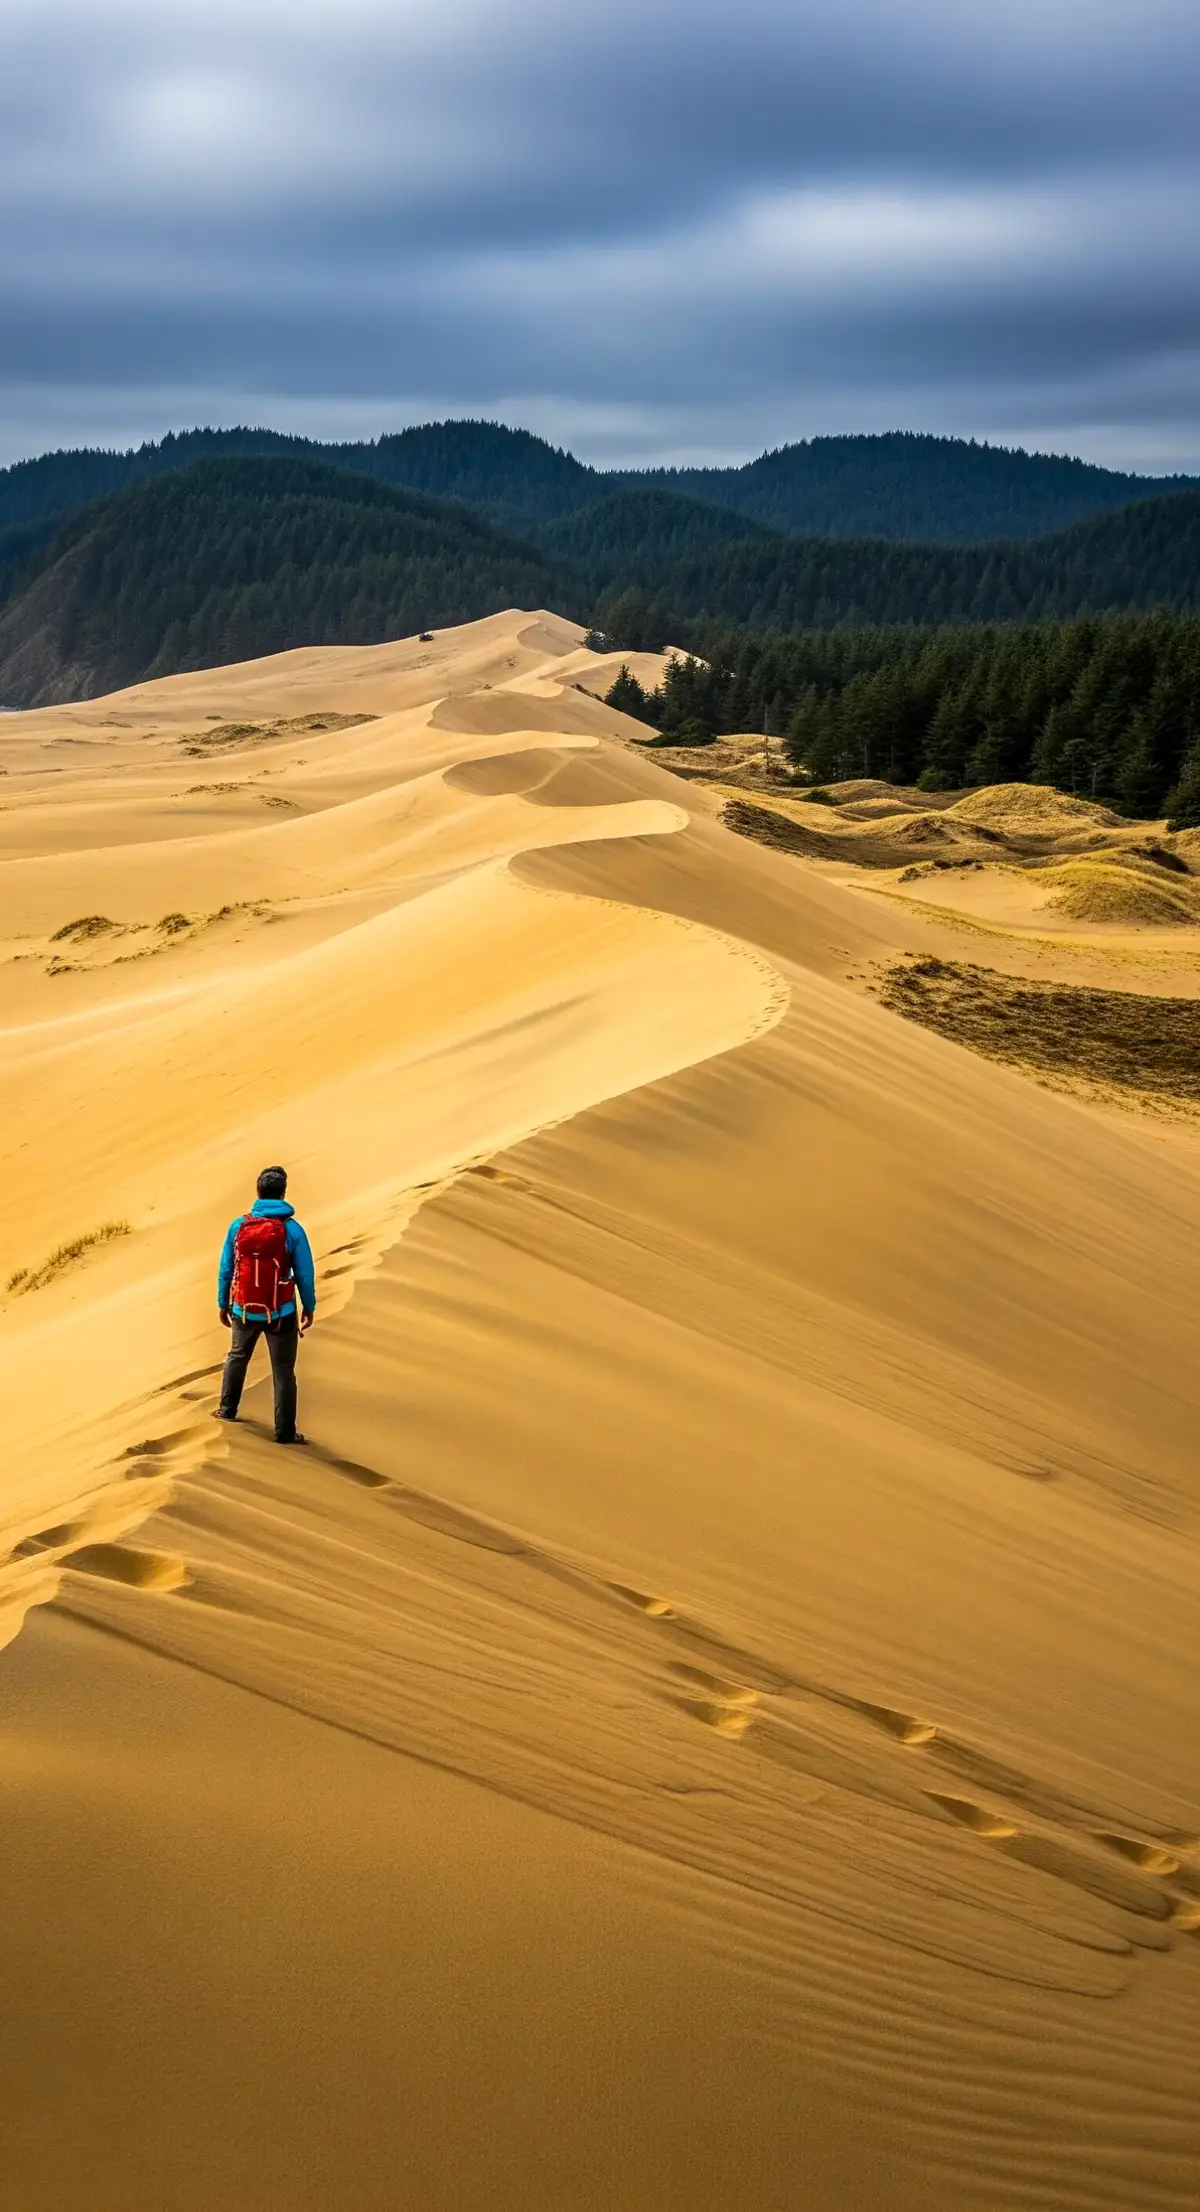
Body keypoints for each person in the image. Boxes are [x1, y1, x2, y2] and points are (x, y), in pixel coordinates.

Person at [215, 1165, 316, 1444]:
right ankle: (284, 1432)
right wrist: (309, 1307)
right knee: (283, 1371)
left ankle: (227, 1410)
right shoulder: (292, 1230)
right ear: (283, 1194)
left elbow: (226, 1268)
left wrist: (223, 1302)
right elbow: (305, 1274)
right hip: (281, 1311)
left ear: (258, 1193)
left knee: (237, 1357)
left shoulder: (238, 1226)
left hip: (243, 1308)